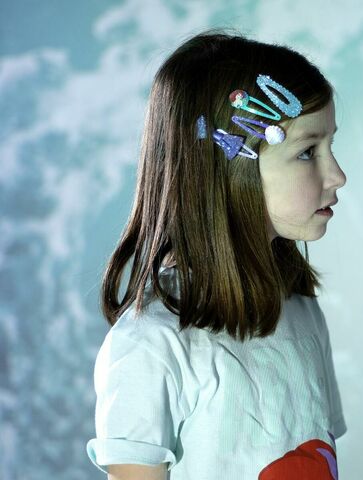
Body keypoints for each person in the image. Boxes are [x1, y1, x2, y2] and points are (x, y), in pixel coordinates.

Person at [86, 27, 347, 480]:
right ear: (227, 169)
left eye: (330, 147)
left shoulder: (301, 310)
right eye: (308, 152)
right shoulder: (152, 344)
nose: (337, 175)